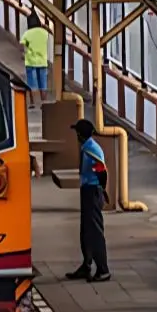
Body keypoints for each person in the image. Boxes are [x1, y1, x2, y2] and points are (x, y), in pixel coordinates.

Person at [65, 119, 110, 283]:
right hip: (87, 190)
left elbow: (102, 171)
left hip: (92, 192)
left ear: (80, 135)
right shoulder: (87, 148)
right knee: (86, 230)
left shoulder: (92, 150)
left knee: (95, 232)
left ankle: (103, 269)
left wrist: (102, 191)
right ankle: (87, 264)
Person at [20, 12, 50, 108]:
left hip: (30, 61)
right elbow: (47, 34)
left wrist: (23, 54)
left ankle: (32, 103)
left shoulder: (27, 34)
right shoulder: (44, 33)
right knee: (43, 84)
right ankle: (44, 103)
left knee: (31, 84)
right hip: (42, 62)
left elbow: (22, 45)